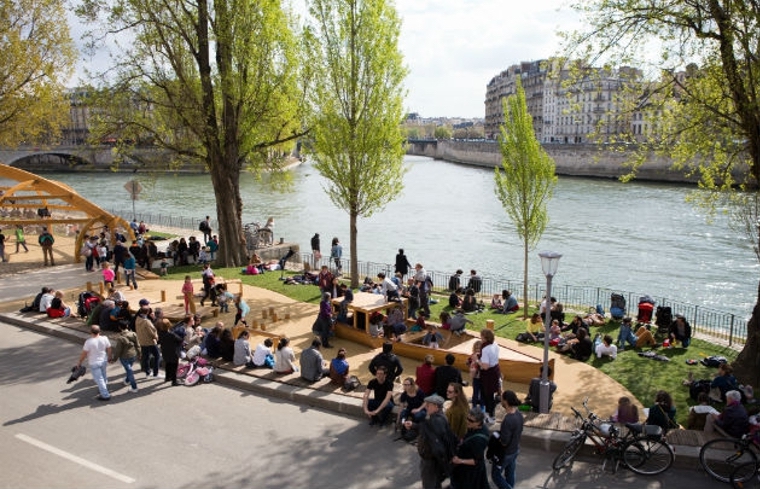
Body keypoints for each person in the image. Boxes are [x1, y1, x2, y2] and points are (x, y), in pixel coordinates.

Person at [404, 394, 456, 489]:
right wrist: (413, 425)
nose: (426, 407)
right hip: (434, 460)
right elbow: (425, 429)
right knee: (435, 482)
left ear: (436, 406)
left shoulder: (435, 421)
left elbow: (429, 433)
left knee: (429, 484)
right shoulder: (438, 418)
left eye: (428, 405)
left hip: (430, 460)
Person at [450, 408, 491, 489]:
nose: (467, 421)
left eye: (471, 421)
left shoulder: (479, 440)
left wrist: (460, 461)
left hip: (469, 473)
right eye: (467, 418)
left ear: (479, 422)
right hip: (464, 470)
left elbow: (477, 461)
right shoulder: (475, 427)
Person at [492, 390, 524, 489]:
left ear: (505, 401)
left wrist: (498, 439)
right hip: (515, 449)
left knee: (496, 475)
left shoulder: (508, 420)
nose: (500, 400)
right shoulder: (519, 414)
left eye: (501, 398)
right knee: (510, 474)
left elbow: (504, 442)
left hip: (506, 453)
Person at [76, 325, 112, 401]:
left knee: (99, 379)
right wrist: (109, 357)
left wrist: (79, 362)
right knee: (103, 375)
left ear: (91, 332)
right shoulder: (105, 338)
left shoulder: (88, 342)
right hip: (103, 360)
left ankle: (105, 395)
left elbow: (84, 354)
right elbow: (109, 348)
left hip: (94, 362)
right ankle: (103, 388)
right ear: (99, 331)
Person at [478, 328, 502, 423]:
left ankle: (490, 416)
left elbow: (485, 366)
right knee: (490, 394)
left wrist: (477, 360)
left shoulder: (485, 349)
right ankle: (489, 413)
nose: (481, 339)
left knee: (488, 395)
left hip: (488, 374)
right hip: (495, 370)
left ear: (485, 338)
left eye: (482, 337)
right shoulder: (495, 344)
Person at [111, 322, 141, 393]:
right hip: (133, 354)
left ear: (119, 328)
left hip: (124, 356)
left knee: (129, 371)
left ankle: (134, 387)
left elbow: (118, 350)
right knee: (129, 369)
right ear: (127, 326)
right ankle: (127, 380)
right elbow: (138, 345)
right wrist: (139, 353)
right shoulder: (133, 334)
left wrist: (114, 359)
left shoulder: (121, 338)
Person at [158, 318, 183, 386]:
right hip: (173, 352)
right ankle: (174, 381)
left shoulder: (160, 333)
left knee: (168, 364)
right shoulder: (171, 334)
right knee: (174, 367)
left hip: (165, 352)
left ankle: (167, 377)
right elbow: (180, 340)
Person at [135, 309, 160, 378]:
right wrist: (156, 337)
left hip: (142, 341)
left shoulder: (137, 319)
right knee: (157, 356)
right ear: (148, 313)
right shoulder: (146, 321)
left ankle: (147, 372)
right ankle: (156, 373)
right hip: (150, 342)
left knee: (146, 357)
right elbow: (152, 331)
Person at [467, 341, 485, 411]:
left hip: (483, 377)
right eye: (476, 348)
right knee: (475, 392)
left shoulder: (483, 356)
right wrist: (470, 364)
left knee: (482, 392)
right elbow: (467, 362)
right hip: (475, 377)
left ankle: (482, 406)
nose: (477, 350)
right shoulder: (472, 355)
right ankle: (474, 406)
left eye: (479, 348)